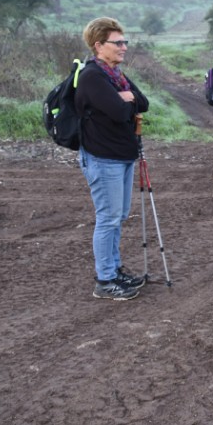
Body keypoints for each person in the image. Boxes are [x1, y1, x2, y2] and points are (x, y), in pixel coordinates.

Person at [74, 17, 149, 301]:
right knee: (108, 218)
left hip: (122, 155)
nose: (123, 47)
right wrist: (125, 100)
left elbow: (142, 102)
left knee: (117, 217)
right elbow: (119, 112)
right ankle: (105, 280)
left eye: (124, 41)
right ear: (98, 45)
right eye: (117, 42)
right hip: (103, 158)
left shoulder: (115, 75)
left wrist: (125, 97)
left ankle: (115, 271)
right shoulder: (93, 76)